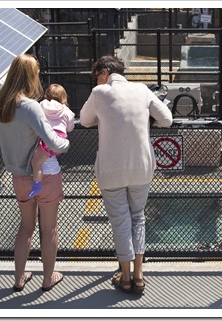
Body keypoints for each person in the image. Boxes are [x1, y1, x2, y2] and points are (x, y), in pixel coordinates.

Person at [80, 55, 173, 294]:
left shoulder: (99, 93)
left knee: (120, 221)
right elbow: (167, 119)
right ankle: (140, 275)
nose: (97, 80)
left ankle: (126, 277)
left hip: (111, 170)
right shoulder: (142, 90)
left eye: (97, 75)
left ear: (104, 72)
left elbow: (85, 120)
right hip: (141, 166)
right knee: (138, 217)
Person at [0, 54, 69, 292]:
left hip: (19, 178)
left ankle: (19, 278)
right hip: (45, 178)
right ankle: (47, 279)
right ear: (30, 76)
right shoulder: (30, 106)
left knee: (25, 227)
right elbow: (54, 143)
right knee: (49, 229)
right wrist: (66, 143)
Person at [28, 84, 75, 199]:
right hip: (60, 139)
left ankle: (37, 185)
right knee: (48, 158)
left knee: (36, 162)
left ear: (46, 95)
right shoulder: (66, 110)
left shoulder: (41, 105)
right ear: (64, 97)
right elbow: (70, 128)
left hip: (48, 137)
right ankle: (56, 190)